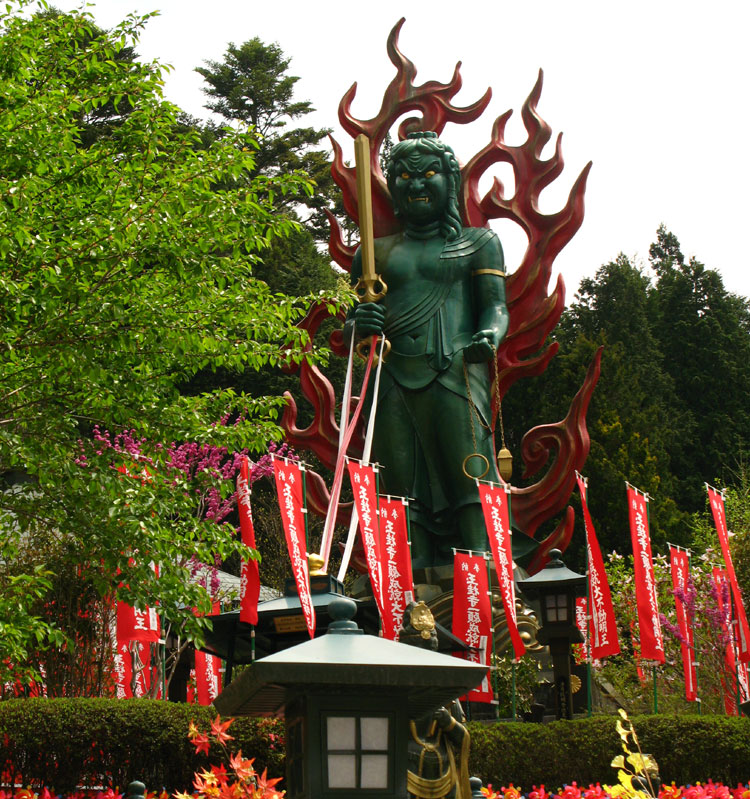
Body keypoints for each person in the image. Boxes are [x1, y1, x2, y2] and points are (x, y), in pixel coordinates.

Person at [347, 131, 509, 568]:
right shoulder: (374, 254)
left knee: (468, 462)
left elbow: (495, 306)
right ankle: (408, 564)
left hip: (455, 366)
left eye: (429, 174)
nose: (416, 184)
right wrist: (360, 323)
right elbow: (353, 323)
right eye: (403, 176)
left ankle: (483, 558)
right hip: (391, 374)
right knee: (399, 474)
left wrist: (489, 335)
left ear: (450, 182)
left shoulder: (478, 244)